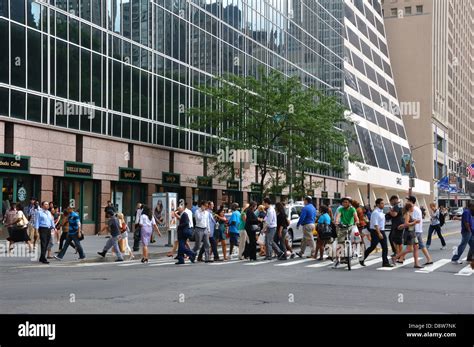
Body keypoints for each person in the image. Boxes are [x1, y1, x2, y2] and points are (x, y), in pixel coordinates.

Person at [360, 198, 393, 267]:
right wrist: (379, 233)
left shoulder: (381, 212)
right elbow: (375, 224)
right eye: (382, 203)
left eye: (383, 203)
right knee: (373, 246)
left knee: (385, 247)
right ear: (378, 204)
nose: (383, 204)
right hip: (376, 231)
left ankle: (385, 262)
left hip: (381, 231)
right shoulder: (375, 213)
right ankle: (362, 259)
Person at [392, 202, 423, 268]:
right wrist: (415, 222)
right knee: (410, 249)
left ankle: (416, 263)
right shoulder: (407, 214)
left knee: (416, 247)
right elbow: (406, 224)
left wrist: (414, 221)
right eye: (412, 207)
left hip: (412, 232)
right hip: (409, 233)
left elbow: (406, 224)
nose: (413, 209)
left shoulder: (409, 214)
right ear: (409, 208)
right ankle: (395, 257)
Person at [333, 197, 359, 268]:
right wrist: (337, 222)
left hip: (351, 226)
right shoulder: (340, 209)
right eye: (343, 202)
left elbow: (356, 217)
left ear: (349, 203)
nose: (344, 203)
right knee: (340, 243)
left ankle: (354, 251)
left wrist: (356, 221)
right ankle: (337, 260)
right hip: (342, 227)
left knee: (356, 238)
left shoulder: (352, 209)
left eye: (346, 202)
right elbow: (338, 216)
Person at [406, 196, 432, 266]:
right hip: (417, 230)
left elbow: (415, 220)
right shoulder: (416, 208)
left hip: (416, 230)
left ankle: (399, 258)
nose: (407, 202)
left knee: (409, 247)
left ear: (411, 201)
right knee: (421, 246)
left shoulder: (414, 209)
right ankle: (429, 259)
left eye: (408, 201)